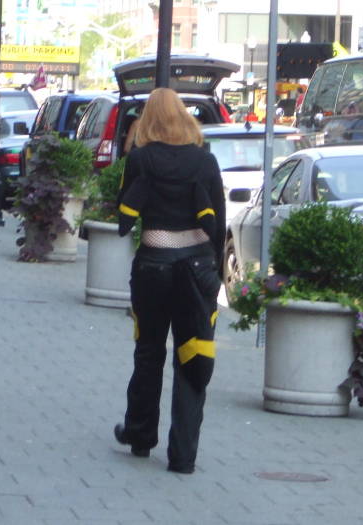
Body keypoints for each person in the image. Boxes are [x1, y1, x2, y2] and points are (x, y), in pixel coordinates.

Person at [113, 88, 225, 474]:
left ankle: (140, 435)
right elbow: (220, 223)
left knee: (148, 351)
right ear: (184, 118)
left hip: (152, 265)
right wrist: (217, 278)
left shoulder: (140, 159)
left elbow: (123, 210)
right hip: (196, 267)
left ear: (147, 120)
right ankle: (183, 456)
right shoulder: (205, 161)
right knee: (193, 354)